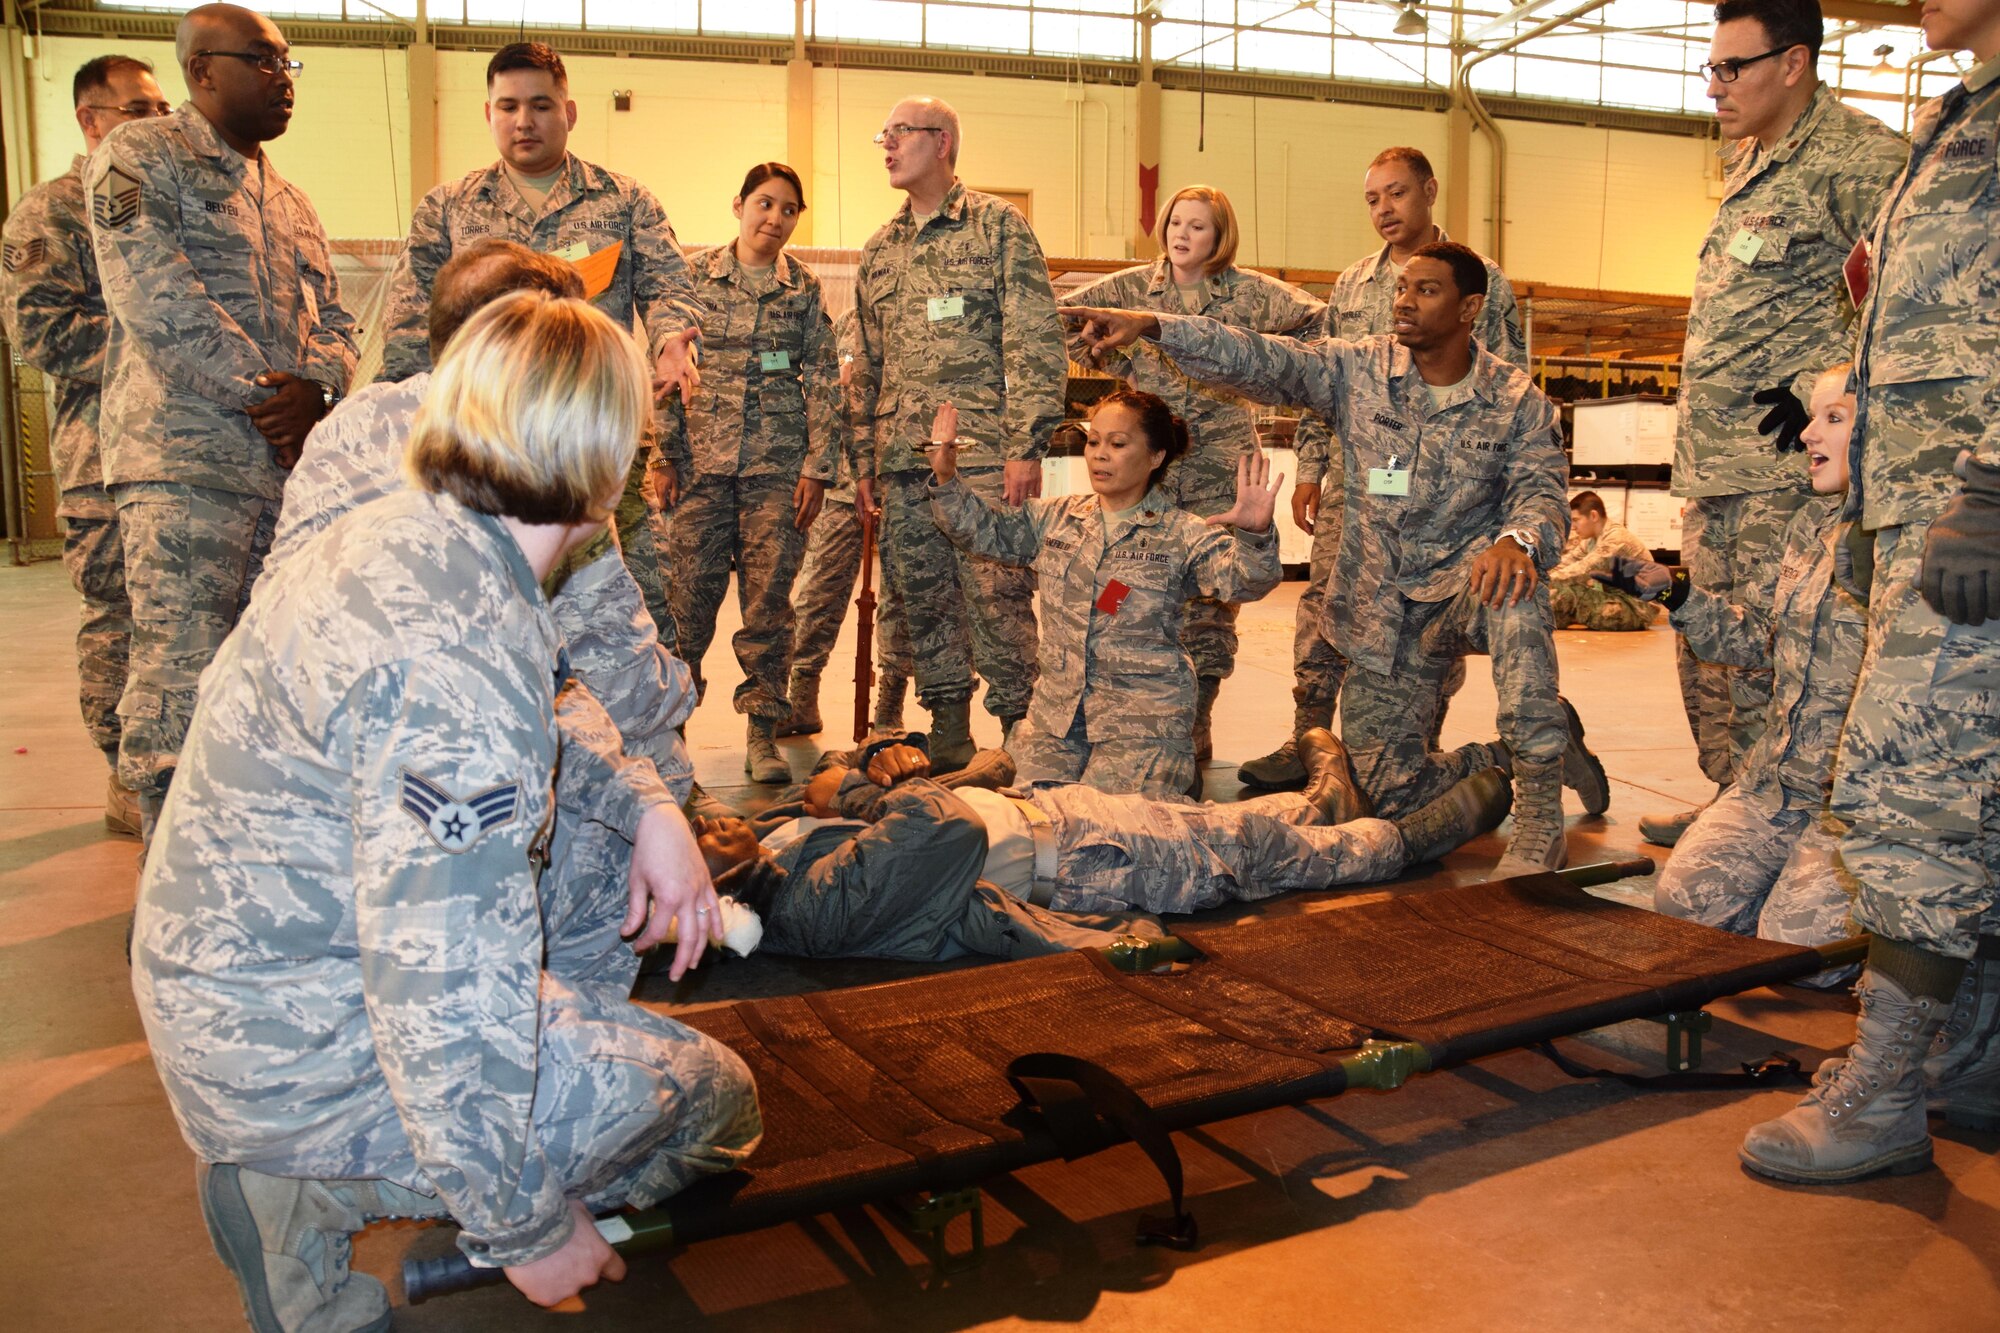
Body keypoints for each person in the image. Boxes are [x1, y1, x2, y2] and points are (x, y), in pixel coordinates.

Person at [132, 292, 762, 1330]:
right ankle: (313, 1188)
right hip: (299, 1053)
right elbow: (439, 985)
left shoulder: (411, 536)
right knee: (710, 1097)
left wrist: (651, 807)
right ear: (611, 474)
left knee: (581, 890)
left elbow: (550, 695)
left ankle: (395, 1154)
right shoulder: (460, 664)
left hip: (242, 983)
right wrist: (528, 1229)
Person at [1063, 241, 1607, 877]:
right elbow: (1263, 358)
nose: (1403, 300)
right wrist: (1158, 325)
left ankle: (1540, 818)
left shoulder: (1515, 400)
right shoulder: (1362, 369)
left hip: (1465, 590)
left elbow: (1542, 493)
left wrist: (1517, 540)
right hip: (1383, 614)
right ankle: (1519, 752)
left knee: (1519, 597)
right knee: (1386, 793)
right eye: (1402, 288)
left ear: (1471, 309)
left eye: (1426, 290)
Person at [1738, 0, 2000, 1184]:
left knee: (1911, 797)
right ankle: (1967, 1058)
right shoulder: (1955, 116)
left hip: (1974, 516)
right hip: (1922, 512)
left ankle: (1884, 1093)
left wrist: (1986, 490)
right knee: (1970, 794)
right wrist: (1870, 512)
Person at [266, 237, 699, 808]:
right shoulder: (532, 448)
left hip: (285, 745)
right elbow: (617, 672)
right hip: (418, 778)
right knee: (650, 761)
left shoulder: (352, 420)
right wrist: (680, 701)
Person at [86, 3, 357, 842]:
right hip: (186, 466)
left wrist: (318, 389)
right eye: (263, 60)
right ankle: (169, 886)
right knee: (179, 679)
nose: (284, 78)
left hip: (282, 475)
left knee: (264, 680)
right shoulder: (137, 160)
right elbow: (150, 290)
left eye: (288, 64)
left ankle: (242, 867)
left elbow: (340, 321)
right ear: (201, 70)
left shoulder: (294, 201)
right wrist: (269, 397)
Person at [1647, 0, 1908, 848]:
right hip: (1715, 465)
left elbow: (1909, 297)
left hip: (1783, 467)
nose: (1714, 87)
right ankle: (1732, 800)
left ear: (1792, 64)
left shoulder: (1860, 159)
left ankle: (1779, 820)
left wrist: (1827, 393)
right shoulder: (1749, 159)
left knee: (1777, 651)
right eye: (1710, 68)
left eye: (1732, 68)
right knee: (1710, 656)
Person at [377, 40, 704, 647]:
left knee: (636, 616)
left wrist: (669, 341)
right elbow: (407, 327)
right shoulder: (447, 208)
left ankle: (648, 736)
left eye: (540, 105)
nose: (523, 121)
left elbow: (670, 289)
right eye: (508, 107)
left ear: (569, 112)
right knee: (490, 614)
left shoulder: (625, 201)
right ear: (489, 114)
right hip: (484, 451)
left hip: (599, 444)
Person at [693, 731, 1511, 957]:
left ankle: (1323, 802)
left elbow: (839, 784)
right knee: (1257, 858)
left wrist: (853, 771)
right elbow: (944, 828)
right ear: (714, 900)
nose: (702, 828)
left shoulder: (771, 851)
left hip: (1057, 815)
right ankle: (1404, 840)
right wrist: (871, 788)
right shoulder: (814, 908)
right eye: (695, 847)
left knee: (1223, 827)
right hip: (1084, 864)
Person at [1243, 146, 1527, 788]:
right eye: (1372, 199)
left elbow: (1508, 385)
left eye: (1396, 194)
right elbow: (1325, 380)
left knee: (1425, 609)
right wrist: (1313, 468)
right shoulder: (1352, 284)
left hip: (1444, 486)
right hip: (1357, 477)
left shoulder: (1479, 277)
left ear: (1429, 191)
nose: (1384, 210)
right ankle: (1308, 739)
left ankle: (1417, 739)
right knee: (1323, 603)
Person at [1604, 366, 1862, 980]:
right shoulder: (1813, 526)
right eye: (1812, 416)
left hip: (1852, 800)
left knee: (1799, 954)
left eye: (1834, 417)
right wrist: (1674, 593)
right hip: (1777, 784)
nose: (1805, 434)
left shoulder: (1910, 546)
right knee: (1689, 904)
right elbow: (1764, 641)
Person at [1062, 186, 1325, 780]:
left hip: (1217, 457)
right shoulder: (1131, 288)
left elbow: (1318, 326)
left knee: (1210, 598)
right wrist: (1115, 365)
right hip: (1147, 453)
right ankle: (1125, 709)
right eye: (1176, 222)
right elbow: (1064, 321)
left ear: (1220, 237)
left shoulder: (1250, 293)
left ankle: (1197, 713)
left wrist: (1268, 374)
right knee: (1127, 575)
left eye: (1199, 227)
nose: (1183, 235)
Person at [850, 95, 1067, 770]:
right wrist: (864, 459)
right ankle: (947, 725)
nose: (886, 146)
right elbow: (868, 364)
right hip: (903, 456)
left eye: (899, 134)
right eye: (882, 136)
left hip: (979, 455)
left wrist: (1024, 446)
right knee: (923, 596)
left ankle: (1018, 729)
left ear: (940, 142)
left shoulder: (996, 227)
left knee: (997, 595)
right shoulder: (881, 250)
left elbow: (1034, 337)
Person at [928, 388, 1283, 799]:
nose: (1099, 454)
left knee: (1107, 835)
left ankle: (1174, 775)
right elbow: (982, 531)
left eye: (1117, 444)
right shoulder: (1056, 518)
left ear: (1155, 457)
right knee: (1032, 824)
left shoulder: (1183, 533)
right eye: (1093, 441)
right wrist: (946, 477)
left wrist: (1255, 533)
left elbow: (1246, 580)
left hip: (1140, 721)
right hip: (1057, 719)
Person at [0, 54, 170, 835]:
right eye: (138, 110)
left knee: (183, 619)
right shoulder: (54, 212)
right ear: (90, 119)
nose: (157, 123)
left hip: (183, 455)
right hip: (100, 456)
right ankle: (122, 775)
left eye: (162, 108)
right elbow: (40, 332)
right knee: (119, 616)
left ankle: (177, 767)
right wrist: (165, 343)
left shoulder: (161, 204)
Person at [654, 163, 841, 782]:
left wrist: (817, 468)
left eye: (789, 210)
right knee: (687, 610)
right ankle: (670, 734)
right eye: (765, 204)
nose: (775, 219)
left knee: (768, 610)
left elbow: (823, 380)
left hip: (775, 476)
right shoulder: (694, 280)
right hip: (701, 474)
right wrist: (665, 456)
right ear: (738, 205)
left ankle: (762, 735)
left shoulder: (804, 291)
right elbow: (668, 371)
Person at [780, 308, 916, 738]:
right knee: (818, 592)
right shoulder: (846, 322)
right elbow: (823, 391)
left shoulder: (915, 318)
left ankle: (890, 708)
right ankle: (801, 699)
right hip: (842, 477)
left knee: (900, 596)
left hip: (900, 475)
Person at [1547, 491, 1659, 631]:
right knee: (1554, 603)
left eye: (1576, 520)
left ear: (1593, 516)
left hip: (1636, 609)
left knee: (1569, 593)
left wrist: (1538, 581)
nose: (1573, 527)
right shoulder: (1590, 541)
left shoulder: (1617, 540)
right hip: (1614, 600)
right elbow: (1565, 564)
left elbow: (1582, 571)